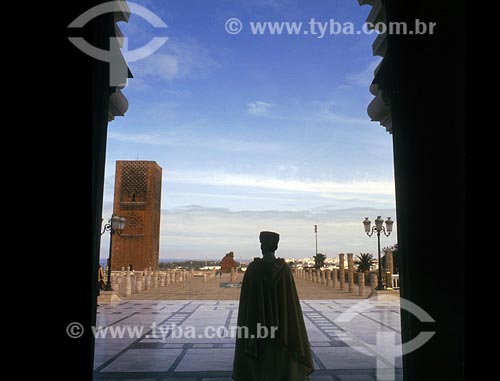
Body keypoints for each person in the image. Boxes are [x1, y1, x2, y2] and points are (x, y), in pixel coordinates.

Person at [232, 231, 314, 381]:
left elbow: (248, 303)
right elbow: (290, 303)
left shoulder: (253, 269)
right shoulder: (284, 270)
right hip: (283, 328)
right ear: (275, 246)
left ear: (262, 246)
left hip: (258, 329)